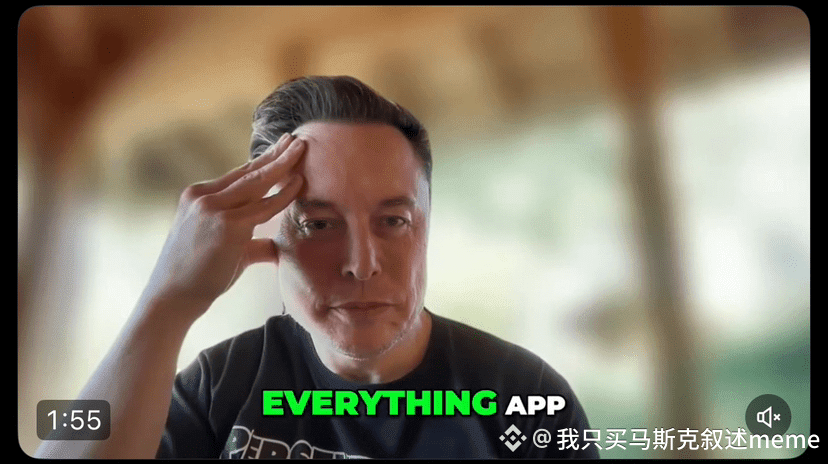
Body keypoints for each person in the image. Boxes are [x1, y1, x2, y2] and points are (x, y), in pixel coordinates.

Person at [36, 76, 598, 459]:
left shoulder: (527, 397)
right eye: (319, 224)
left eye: (393, 221)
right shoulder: (220, 384)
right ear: (267, 233)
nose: (361, 264)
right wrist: (166, 301)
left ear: (427, 228)